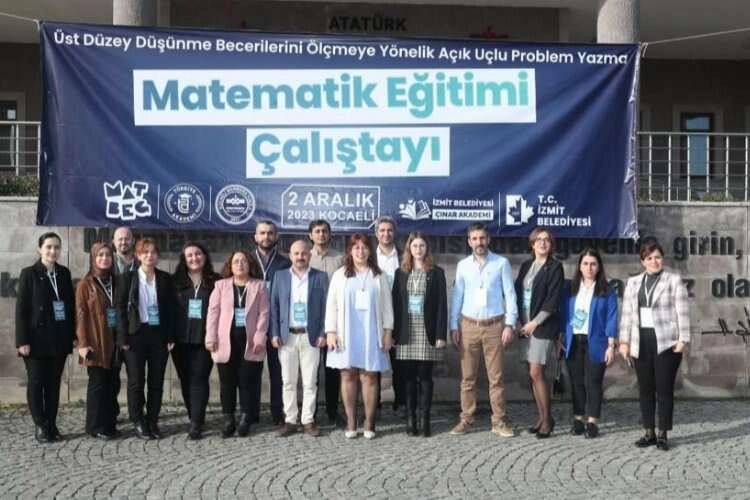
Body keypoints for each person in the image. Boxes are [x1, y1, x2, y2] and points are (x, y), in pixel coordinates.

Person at [619, 238, 690, 451]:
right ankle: (648, 432)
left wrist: (683, 339)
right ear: (642, 261)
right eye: (649, 258)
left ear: (663, 259)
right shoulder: (633, 282)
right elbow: (627, 314)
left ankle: (662, 434)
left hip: (666, 342)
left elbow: (683, 311)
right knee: (645, 389)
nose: (654, 261)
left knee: (664, 389)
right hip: (640, 340)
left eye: (657, 257)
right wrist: (624, 342)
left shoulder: (673, 280)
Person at [450, 222, 518, 438]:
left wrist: (510, 324)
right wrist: (453, 325)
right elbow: (457, 297)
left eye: (482, 238)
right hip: (469, 325)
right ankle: (466, 419)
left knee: (496, 378)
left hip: (494, 326)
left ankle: (499, 420)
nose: (479, 242)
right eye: (475, 239)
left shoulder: (501, 263)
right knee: (467, 378)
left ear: (488, 239)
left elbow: (510, 294)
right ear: (469, 242)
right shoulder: (463, 266)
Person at [325, 233, 394, 439]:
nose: (360, 251)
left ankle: (369, 421)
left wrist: (388, 331)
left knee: (369, 376)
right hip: (346, 332)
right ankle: (351, 421)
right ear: (350, 251)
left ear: (370, 251)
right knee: (348, 375)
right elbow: (331, 305)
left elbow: (387, 307)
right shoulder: (340, 275)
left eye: (364, 247)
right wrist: (331, 332)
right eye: (356, 247)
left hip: (372, 331)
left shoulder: (379, 276)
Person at [15, 232, 75, 443]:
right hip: (36, 341)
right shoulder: (29, 274)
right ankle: (40, 424)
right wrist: (22, 341)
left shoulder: (64, 273)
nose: (53, 251)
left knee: (53, 384)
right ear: (40, 249)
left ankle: (51, 423)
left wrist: (72, 335)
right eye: (48, 247)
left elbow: (70, 307)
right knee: (36, 382)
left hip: (58, 339)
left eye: (56, 247)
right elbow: (21, 310)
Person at [116, 238, 176, 440]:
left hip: (158, 335)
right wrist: (123, 338)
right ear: (138, 255)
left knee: (156, 381)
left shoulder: (165, 278)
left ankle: (152, 420)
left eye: (153, 252)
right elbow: (120, 310)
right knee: (136, 381)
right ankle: (138, 421)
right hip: (135, 335)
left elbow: (171, 309)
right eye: (145, 252)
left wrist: (170, 335)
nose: (150, 255)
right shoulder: (127, 278)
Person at [206, 249, 269, 438]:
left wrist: (260, 336)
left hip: (250, 342)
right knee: (227, 382)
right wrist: (210, 337)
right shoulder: (221, 286)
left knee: (247, 382)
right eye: (236, 262)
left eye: (244, 261)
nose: (240, 264)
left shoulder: (259, 286)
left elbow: (264, 313)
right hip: (225, 341)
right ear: (230, 266)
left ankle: (245, 418)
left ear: (250, 265)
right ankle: (228, 419)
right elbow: (213, 313)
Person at [270, 240, 329, 438]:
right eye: (296, 253)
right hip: (287, 337)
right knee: (288, 381)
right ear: (290, 255)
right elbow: (274, 307)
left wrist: (323, 333)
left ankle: (308, 420)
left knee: (310, 382)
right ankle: (290, 420)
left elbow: (327, 308)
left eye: (304, 253)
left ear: (310, 255)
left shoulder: (320, 277)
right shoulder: (280, 276)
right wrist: (274, 332)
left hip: (311, 337)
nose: (300, 257)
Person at [391, 232, 447, 437]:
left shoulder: (436, 273)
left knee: (425, 377)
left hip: (427, 331)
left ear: (427, 248)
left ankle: (425, 419)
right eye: (414, 246)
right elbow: (396, 305)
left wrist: (441, 335)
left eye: (422, 245)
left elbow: (442, 306)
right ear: (409, 249)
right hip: (406, 331)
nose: (418, 249)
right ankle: (410, 418)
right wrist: (393, 334)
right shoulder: (401, 272)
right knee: (407, 378)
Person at [560, 249, 618, 439]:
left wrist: (611, 345)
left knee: (593, 382)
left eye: (593, 264)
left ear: (599, 267)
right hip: (573, 340)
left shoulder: (606, 291)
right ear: (579, 266)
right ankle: (578, 419)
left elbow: (611, 318)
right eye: (585, 263)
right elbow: (564, 315)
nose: (589, 268)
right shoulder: (570, 289)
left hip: (597, 342)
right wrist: (560, 338)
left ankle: (592, 421)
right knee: (576, 382)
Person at [514, 227, 564, 439]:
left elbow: (552, 300)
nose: (543, 243)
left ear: (551, 245)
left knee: (536, 373)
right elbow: (518, 293)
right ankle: (541, 418)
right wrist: (519, 321)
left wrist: (534, 323)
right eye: (539, 239)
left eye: (547, 240)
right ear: (532, 244)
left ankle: (547, 421)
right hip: (524, 325)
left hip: (542, 326)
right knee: (532, 375)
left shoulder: (555, 267)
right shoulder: (526, 266)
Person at [172, 242, 220, 440]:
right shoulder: (175, 282)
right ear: (184, 259)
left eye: (198, 254)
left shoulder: (216, 281)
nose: (194, 258)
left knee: (199, 379)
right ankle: (193, 415)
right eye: (190, 255)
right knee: (185, 380)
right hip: (180, 341)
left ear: (205, 256)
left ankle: (196, 424)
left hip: (204, 340)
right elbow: (167, 311)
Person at [76, 242, 120, 440]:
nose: (104, 258)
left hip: (114, 340)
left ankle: (109, 423)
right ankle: (94, 426)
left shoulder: (116, 282)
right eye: (100, 255)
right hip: (96, 341)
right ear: (93, 258)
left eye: (108, 255)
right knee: (98, 385)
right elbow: (80, 315)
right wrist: (83, 343)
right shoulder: (85, 285)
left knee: (112, 384)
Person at [253, 220, 291, 426]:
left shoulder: (285, 263)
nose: (266, 237)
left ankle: (278, 412)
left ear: (276, 236)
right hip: (253, 324)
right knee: (252, 371)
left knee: (278, 371)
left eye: (270, 233)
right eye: (262, 233)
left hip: (277, 322)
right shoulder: (247, 260)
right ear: (255, 236)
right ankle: (251, 412)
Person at [308, 219, 344, 425]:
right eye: (317, 231)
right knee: (311, 370)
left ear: (330, 234)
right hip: (311, 321)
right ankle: (310, 412)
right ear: (310, 235)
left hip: (335, 322)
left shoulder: (340, 258)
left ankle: (332, 410)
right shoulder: (305, 257)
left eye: (324, 231)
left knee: (332, 369)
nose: (321, 234)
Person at [374, 216, 404, 411]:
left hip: (400, 315)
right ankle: (374, 405)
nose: (386, 234)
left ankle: (400, 403)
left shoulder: (404, 256)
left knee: (399, 364)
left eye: (389, 230)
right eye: (382, 230)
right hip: (374, 316)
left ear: (395, 233)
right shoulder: (368, 256)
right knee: (374, 364)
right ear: (376, 233)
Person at [111, 226, 138, 420]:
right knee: (112, 376)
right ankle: (111, 414)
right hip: (111, 327)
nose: (123, 242)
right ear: (114, 242)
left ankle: (136, 414)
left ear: (133, 241)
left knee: (135, 378)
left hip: (135, 328)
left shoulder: (141, 263)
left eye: (127, 238)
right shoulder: (105, 261)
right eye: (119, 239)